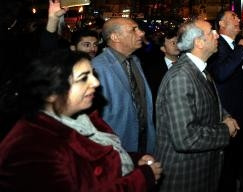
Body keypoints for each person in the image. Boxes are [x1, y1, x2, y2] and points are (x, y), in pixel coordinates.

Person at [0, 50, 162, 190]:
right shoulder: (31, 148)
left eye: (93, 74)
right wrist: (141, 179)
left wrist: (131, 161)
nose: (96, 82)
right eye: (84, 78)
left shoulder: (84, 118)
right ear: (50, 93)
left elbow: (94, 163)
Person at [155, 18, 239, 192]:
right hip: (184, 177)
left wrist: (225, 116)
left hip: (201, 170)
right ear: (199, 42)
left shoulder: (199, 68)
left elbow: (208, 102)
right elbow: (186, 138)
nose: (217, 34)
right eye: (211, 32)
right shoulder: (181, 77)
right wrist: (225, 129)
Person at [207, 10, 243, 192]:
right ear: (221, 24)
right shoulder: (217, 46)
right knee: (226, 165)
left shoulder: (234, 45)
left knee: (238, 157)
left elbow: (240, 75)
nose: (238, 19)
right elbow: (221, 74)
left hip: (241, 109)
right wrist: (241, 49)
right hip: (228, 113)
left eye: (238, 17)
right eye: (233, 17)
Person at [93, 18, 156, 153]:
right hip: (116, 150)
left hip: (143, 145)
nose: (141, 33)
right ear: (115, 37)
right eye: (133, 29)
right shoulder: (97, 67)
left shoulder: (135, 61)